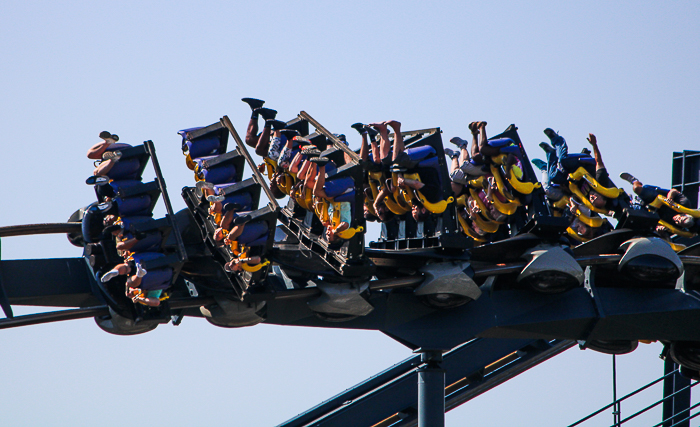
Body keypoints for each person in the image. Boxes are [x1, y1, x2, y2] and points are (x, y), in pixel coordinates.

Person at [619, 172, 696, 233]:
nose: (677, 221)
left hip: (650, 210)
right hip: (655, 197)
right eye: (680, 219)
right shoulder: (685, 204)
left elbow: (662, 234)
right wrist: (670, 198)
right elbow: (674, 191)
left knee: (628, 212)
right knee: (637, 189)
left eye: (679, 223)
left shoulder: (675, 228)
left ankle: (629, 199)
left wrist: (660, 230)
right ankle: (634, 180)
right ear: (684, 215)